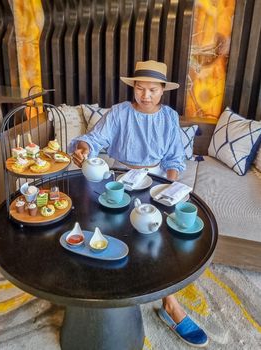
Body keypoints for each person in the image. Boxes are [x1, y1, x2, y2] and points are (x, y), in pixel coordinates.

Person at [70, 60, 208, 348]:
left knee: (159, 239)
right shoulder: (119, 112)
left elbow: (173, 158)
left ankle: (170, 304)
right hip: (119, 175)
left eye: (153, 90)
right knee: (111, 231)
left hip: (156, 179)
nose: (145, 95)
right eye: (140, 88)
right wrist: (83, 148)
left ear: (162, 91)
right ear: (134, 87)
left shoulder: (169, 117)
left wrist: (169, 185)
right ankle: (109, 290)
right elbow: (95, 139)